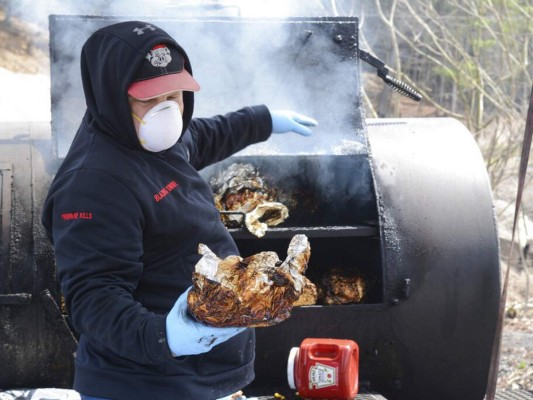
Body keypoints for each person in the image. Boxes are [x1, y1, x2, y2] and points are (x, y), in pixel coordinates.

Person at [41, 20, 317, 400]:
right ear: (110, 95)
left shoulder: (152, 135)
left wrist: (262, 120)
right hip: (144, 384)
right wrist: (166, 336)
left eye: (175, 95)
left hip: (197, 376)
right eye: (149, 99)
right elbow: (93, 300)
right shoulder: (93, 183)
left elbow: (200, 135)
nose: (166, 111)